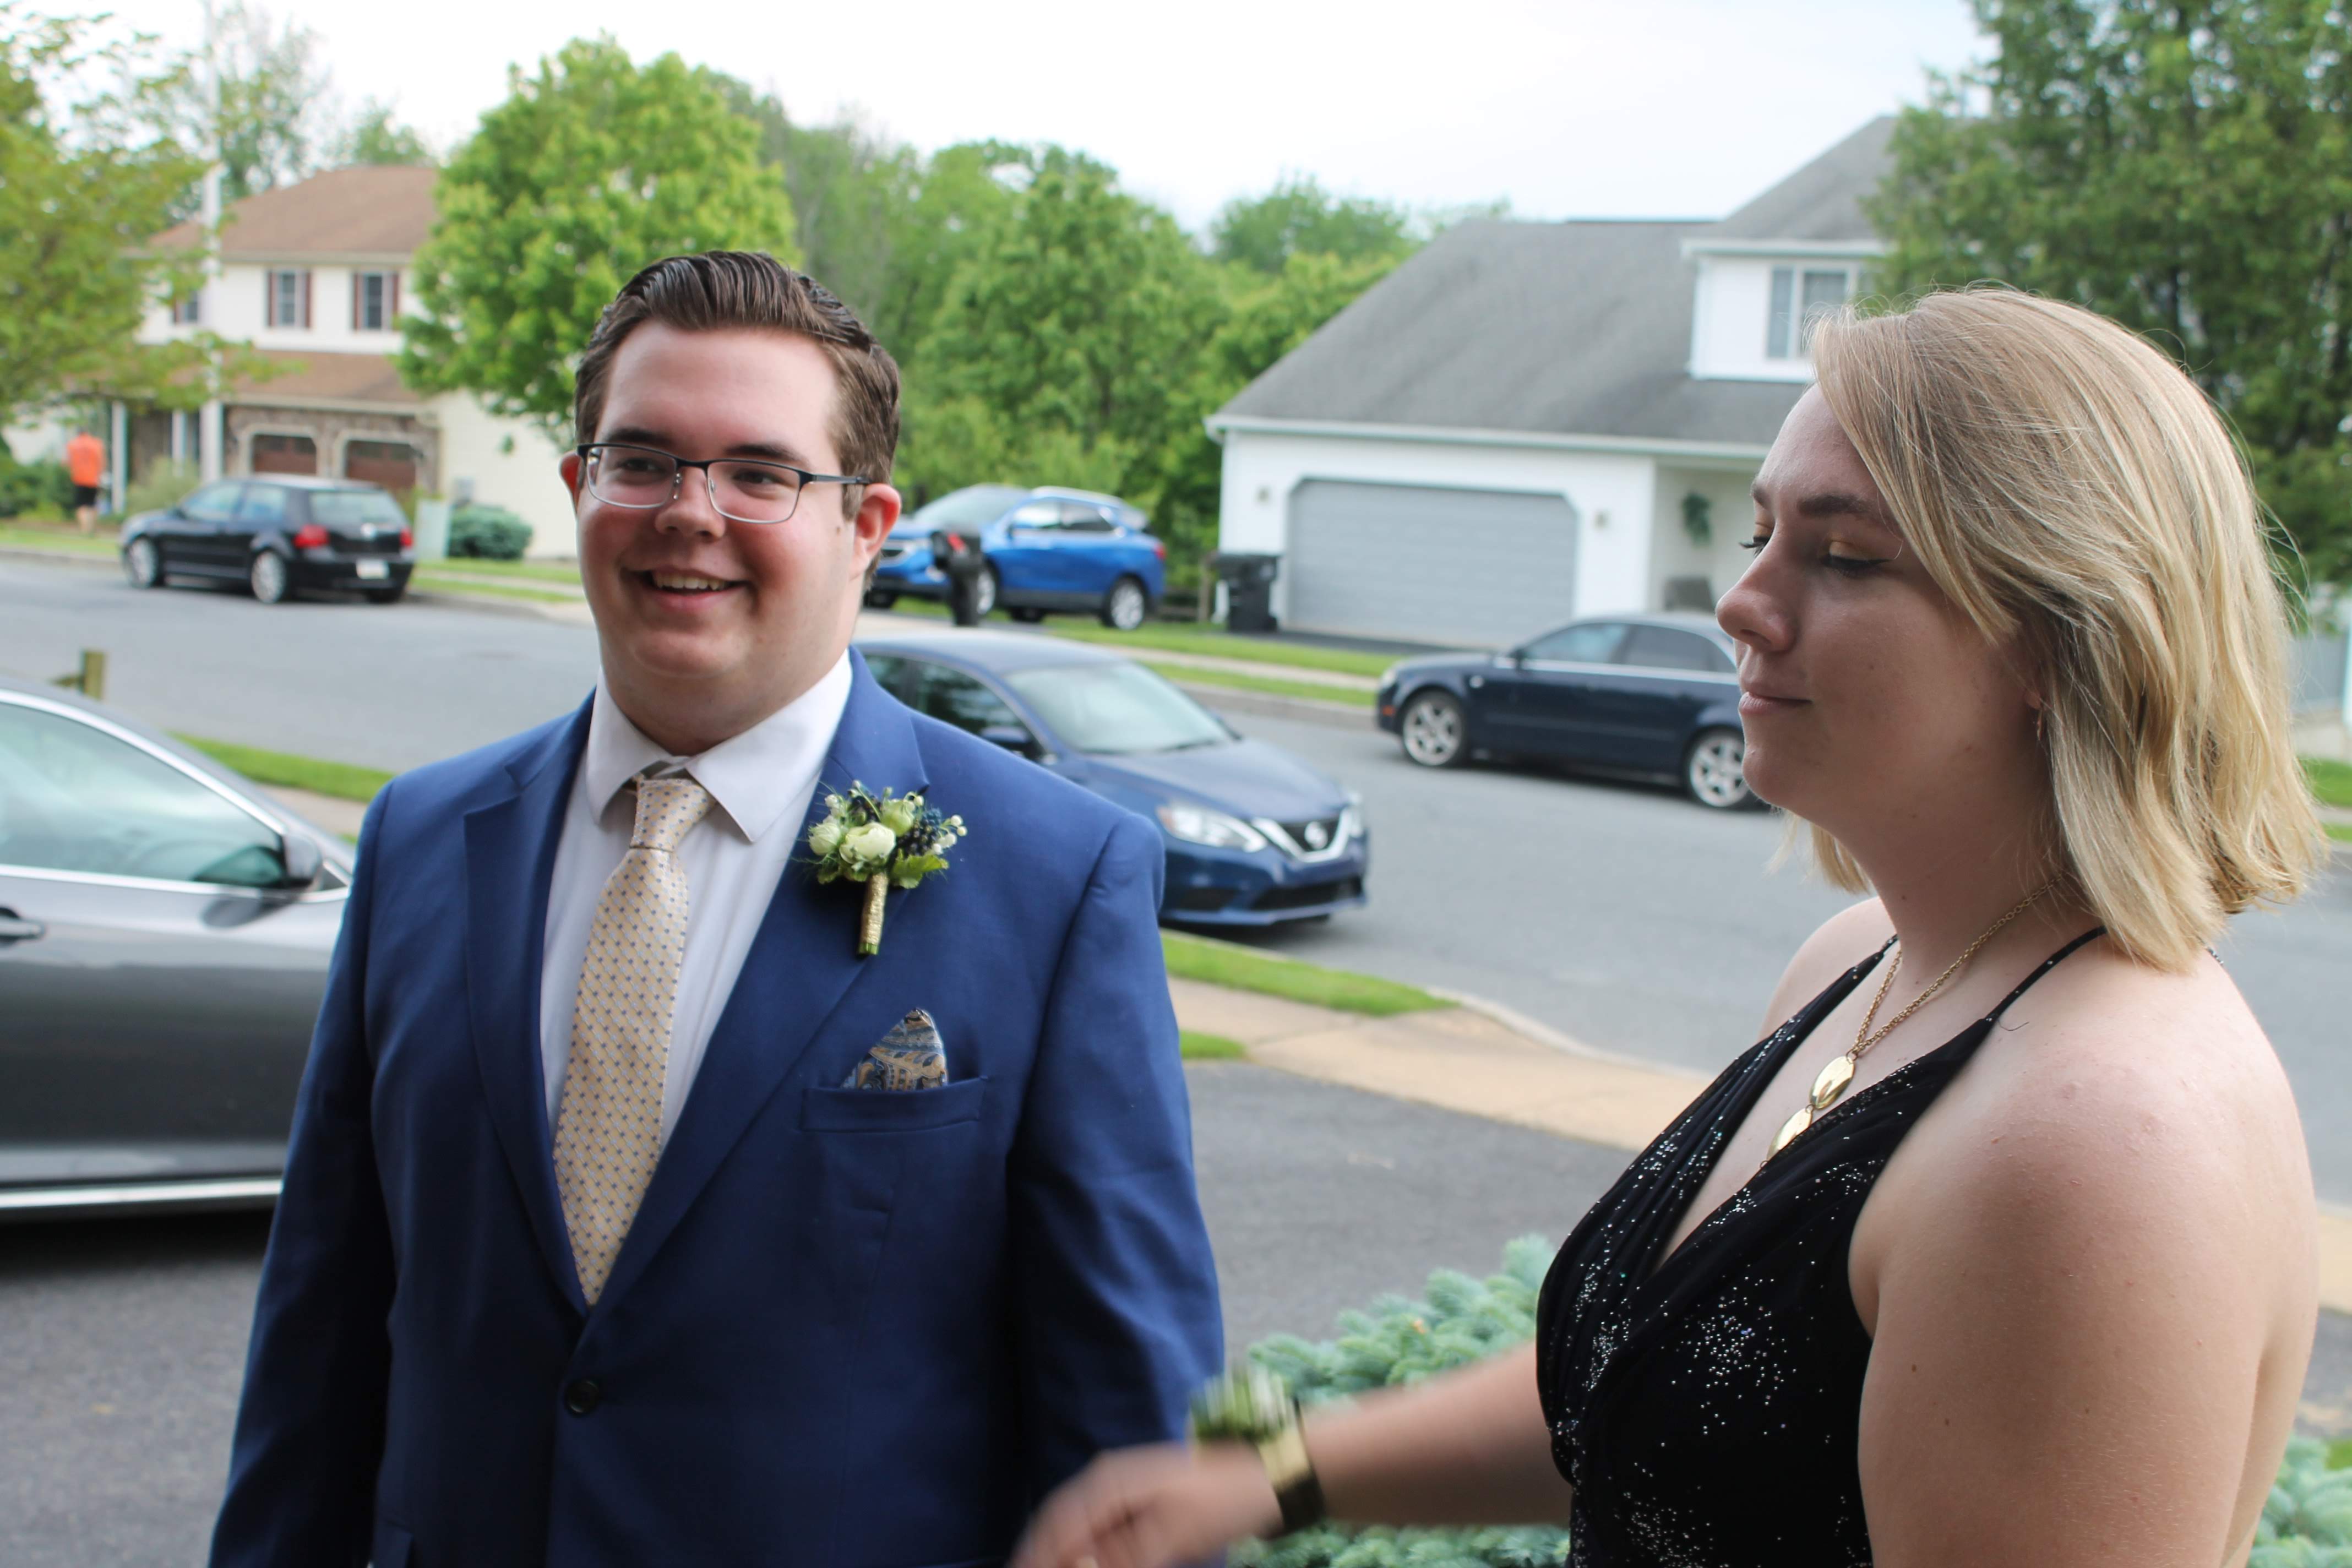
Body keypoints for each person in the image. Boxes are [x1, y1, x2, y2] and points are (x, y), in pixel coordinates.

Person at [1015, 287, 2326, 1568]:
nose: (1743, 601)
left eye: (1845, 554)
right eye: (1761, 532)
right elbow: (1667, 1399)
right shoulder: (1860, 965)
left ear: (2061, 635)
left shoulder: (2091, 1147)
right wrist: (1282, 1474)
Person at [208, 252, 1222, 1567]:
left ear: (866, 525)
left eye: (760, 473)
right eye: (641, 460)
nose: (689, 512)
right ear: (579, 488)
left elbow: (1133, 1435)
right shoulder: (420, 840)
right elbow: (322, 1334)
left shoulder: (1056, 878)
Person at [64, 426, 103, 533]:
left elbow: (66, 462)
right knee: (93, 504)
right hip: (93, 479)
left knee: (81, 505)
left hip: (79, 479)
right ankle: (92, 529)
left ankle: (84, 529)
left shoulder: (72, 445)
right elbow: (101, 461)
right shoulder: (96, 443)